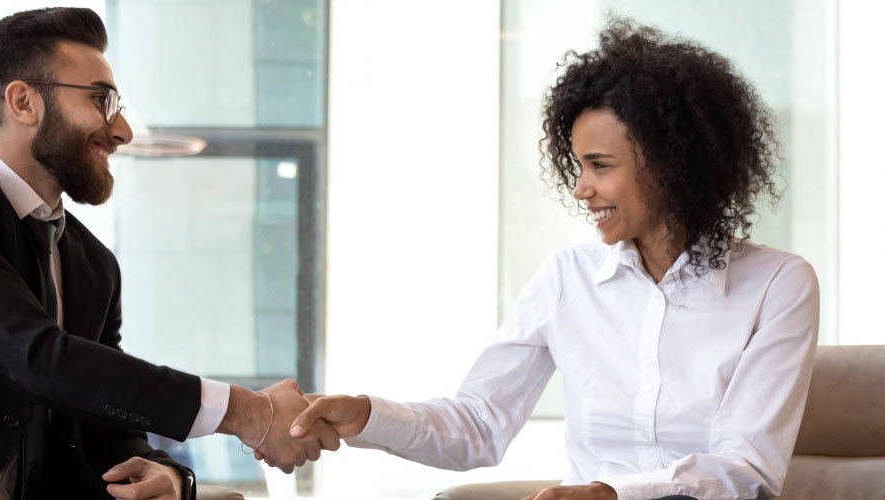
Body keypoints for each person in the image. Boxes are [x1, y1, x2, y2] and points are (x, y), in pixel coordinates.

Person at [0, 8, 329, 500]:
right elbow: (34, 358)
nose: (120, 130)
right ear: (24, 101)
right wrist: (244, 411)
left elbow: (106, 427)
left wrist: (163, 471)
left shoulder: (93, 264)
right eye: (101, 99)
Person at [291, 18, 819, 500]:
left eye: (600, 165)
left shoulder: (778, 284)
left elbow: (747, 469)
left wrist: (612, 494)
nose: (581, 189)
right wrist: (365, 415)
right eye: (579, 165)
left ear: (671, 164)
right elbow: (479, 423)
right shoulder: (568, 277)